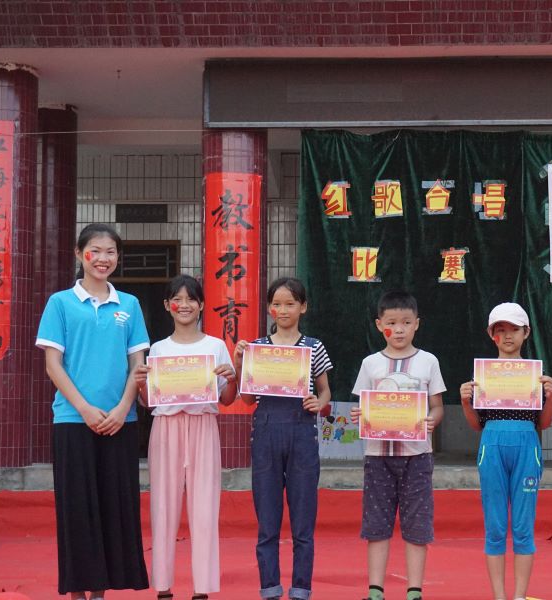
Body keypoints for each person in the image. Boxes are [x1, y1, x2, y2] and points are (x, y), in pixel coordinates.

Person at [36, 223, 150, 599]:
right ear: (79, 253)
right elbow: (53, 365)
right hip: (72, 420)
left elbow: (138, 365)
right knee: (76, 507)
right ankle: (77, 590)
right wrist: (84, 408)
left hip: (121, 422)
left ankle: (101, 590)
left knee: (114, 506)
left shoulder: (129, 305)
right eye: (95, 251)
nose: (103, 258)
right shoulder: (60, 303)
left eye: (111, 252)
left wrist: (122, 408)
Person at [134, 274, 237, 600]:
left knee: (205, 508)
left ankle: (201, 588)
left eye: (191, 299)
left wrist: (232, 378)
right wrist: (141, 383)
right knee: (163, 506)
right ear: (167, 305)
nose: (184, 305)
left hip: (203, 426)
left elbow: (227, 399)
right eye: (177, 299)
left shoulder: (216, 346)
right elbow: (149, 402)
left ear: (202, 305)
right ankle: (163, 586)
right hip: (166, 428)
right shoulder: (158, 348)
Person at [232, 277, 332, 600]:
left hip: (302, 432)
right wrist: (240, 363)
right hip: (266, 432)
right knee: (267, 520)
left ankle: (301, 588)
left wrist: (319, 402)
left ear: (304, 307)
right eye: (277, 304)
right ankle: (270, 588)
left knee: (303, 520)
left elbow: (325, 390)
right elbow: (248, 400)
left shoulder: (314, 346)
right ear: (269, 308)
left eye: (291, 303)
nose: (284, 310)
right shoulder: (257, 348)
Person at [350, 290, 446, 600]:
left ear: (417, 324)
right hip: (377, 456)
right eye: (391, 323)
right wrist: (359, 415)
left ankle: (414, 591)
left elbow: (437, 407)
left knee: (417, 524)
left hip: (417, 457)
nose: (399, 329)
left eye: (406, 322)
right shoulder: (370, 364)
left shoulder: (428, 361)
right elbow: (362, 406)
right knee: (376, 524)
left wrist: (431, 420)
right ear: (379, 325)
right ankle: (375, 591)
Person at [459, 302, 552, 600]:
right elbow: (476, 425)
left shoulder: (537, 376)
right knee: (495, 525)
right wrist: (465, 401)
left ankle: (519, 596)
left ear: (526, 332)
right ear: (492, 335)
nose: (508, 336)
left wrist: (551, 396)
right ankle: (500, 596)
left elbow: (544, 422)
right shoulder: (483, 376)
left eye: (514, 329)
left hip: (528, 446)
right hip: (491, 445)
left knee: (524, 526)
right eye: (500, 330)